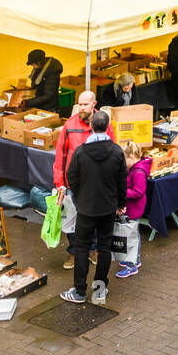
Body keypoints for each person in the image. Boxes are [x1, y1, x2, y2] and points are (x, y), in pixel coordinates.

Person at [60, 111, 127, 306]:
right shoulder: (116, 151)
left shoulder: (81, 152)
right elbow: (122, 180)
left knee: (81, 248)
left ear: (91, 126)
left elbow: (71, 176)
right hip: (108, 208)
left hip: (86, 209)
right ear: (107, 127)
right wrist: (120, 203)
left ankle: (79, 291)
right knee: (104, 248)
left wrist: (80, 197)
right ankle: (99, 289)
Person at [54, 90, 115, 270]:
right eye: (79, 104)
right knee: (72, 219)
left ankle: (93, 249)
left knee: (94, 217)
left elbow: (112, 149)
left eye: (85, 104)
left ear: (93, 104)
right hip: (74, 183)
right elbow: (61, 154)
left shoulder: (105, 123)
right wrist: (60, 183)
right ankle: (74, 251)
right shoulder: (69, 125)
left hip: (96, 183)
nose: (81, 107)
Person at [115, 142, 152, 278]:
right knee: (132, 234)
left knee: (131, 237)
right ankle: (135, 260)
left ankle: (132, 265)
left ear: (131, 157)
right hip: (132, 207)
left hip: (133, 208)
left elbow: (138, 192)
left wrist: (121, 192)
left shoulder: (138, 172)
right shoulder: (135, 168)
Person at [22, 49, 62, 113]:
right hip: (39, 104)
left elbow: (48, 95)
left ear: (39, 62)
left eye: (33, 64)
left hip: (49, 108)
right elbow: (36, 86)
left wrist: (28, 103)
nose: (33, 66)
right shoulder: (39, 68)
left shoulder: (52, 72)